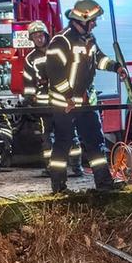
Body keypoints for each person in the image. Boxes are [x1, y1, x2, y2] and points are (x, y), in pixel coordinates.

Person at [40, 0, 124, 193]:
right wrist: (69, 96)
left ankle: (104, 184)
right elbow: (54, 72)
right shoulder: (60, 41)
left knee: (95, 142)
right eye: (93, 20)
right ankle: (59, 188)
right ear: (83, 19)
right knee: (63, 143)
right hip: (64, 104)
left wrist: (115, 67)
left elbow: (98, 59)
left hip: (85, 103)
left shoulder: (89, 39)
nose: (95, 23)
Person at [22, 20, 81, 178]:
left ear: (46, 35)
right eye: (35, 36)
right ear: (31, 39)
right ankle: (51, 168)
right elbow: (28, 80)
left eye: (40, 35)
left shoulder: (57, 51)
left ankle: (76, 166)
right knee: (47, 137)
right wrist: (28, 97)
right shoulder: (30, 58)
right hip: (43, 104)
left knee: (70, 133)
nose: (38, 38)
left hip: (62, 101)